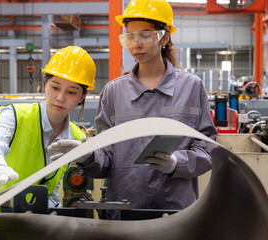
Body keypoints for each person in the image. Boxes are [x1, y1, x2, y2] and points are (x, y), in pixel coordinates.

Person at [48, 0, 217, 219]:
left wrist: (177, 163)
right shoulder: (113, 93)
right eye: (130, 36)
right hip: (124, 213)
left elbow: (208, 150)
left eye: (145, 35)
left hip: (176, 214)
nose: (136, 44)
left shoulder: (191, 87)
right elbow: (106, 159)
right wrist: (88, 156)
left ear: (164, 37)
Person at [0, 46, 96, 209]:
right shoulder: (16, 115)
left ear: (82, 96)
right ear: (45, 83)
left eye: (71, 92)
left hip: (28, 222)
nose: (60, 98)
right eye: (55, 87)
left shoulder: (76, 138)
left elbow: (51, 187)